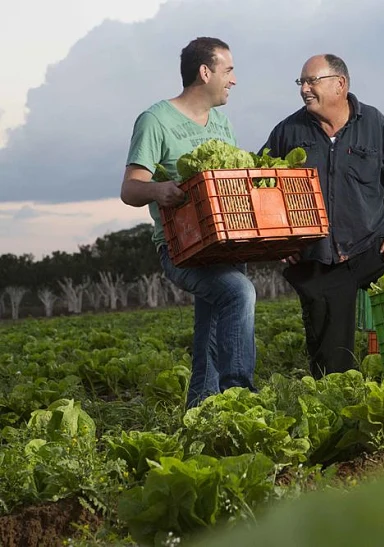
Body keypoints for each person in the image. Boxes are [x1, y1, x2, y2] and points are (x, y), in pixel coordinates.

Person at [259, 54, 384, 378]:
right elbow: (259, 188)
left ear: (340, 84)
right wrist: (279, 242)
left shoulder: (374, 124)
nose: (304, 89)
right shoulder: (287, 131)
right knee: (332, 367)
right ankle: (340, 415)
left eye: (312, 81)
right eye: (302, 82)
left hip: (374, 247)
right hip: (319, 258)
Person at [120, 37, 257, 408]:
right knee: (239, 293)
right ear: (205, 71)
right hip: (181, 248)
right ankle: (240, 396)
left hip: (224, 245)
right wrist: (157, 190)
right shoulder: (155, 120)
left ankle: (199, 412)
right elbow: (130, 188)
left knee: (211, 333)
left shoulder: (223, 124)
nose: (233, 80)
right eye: (228, 70)